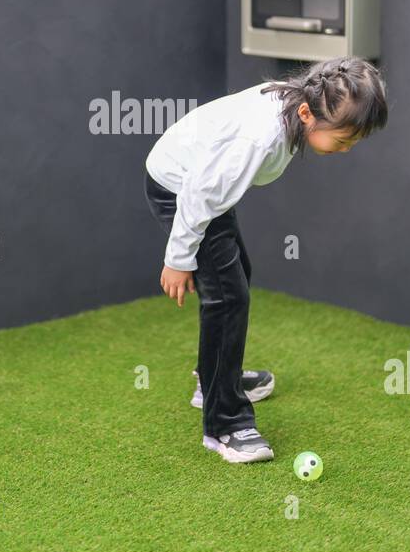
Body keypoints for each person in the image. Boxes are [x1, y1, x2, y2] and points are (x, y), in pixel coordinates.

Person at [143, 55, 389, 463]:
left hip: (203, 186)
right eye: (345, 138)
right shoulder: (258, 138)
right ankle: (225, 424)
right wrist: (178, 259)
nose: (348, 148)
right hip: (180, 189)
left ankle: (216, 379)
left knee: (238, 277)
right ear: (308, 113)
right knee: (227, 297)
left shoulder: (296, 101)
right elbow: (199, 195)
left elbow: (213, 187)